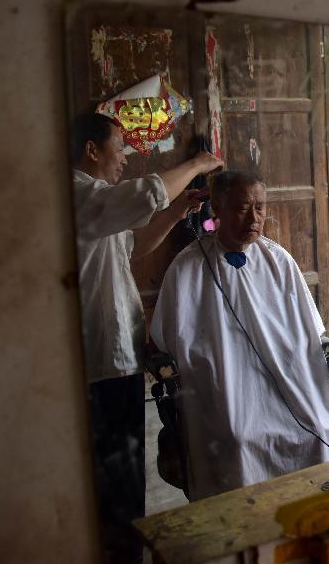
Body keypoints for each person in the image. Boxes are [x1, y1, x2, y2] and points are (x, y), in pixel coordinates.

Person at [71, 112, 222, 563]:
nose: (125, 157)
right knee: (116, 482)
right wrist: (196, 164)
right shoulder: (80, 195)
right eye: (120, 146)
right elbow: (147, 192)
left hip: (120, 358)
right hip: (101, 364)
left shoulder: (101, 204)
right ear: (92, 150)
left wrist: (179, 212)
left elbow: (135, 246)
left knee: (127, 476)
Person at [150, 170, 329, 501]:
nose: (254, 218)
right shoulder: (188, 267)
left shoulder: (278, 260)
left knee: (320, 429)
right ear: (218, 209)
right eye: (243, 208)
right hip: (225, 387)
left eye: (260, 207)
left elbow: (307, 330)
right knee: (238, 439)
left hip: (285, 380)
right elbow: (168, 339)